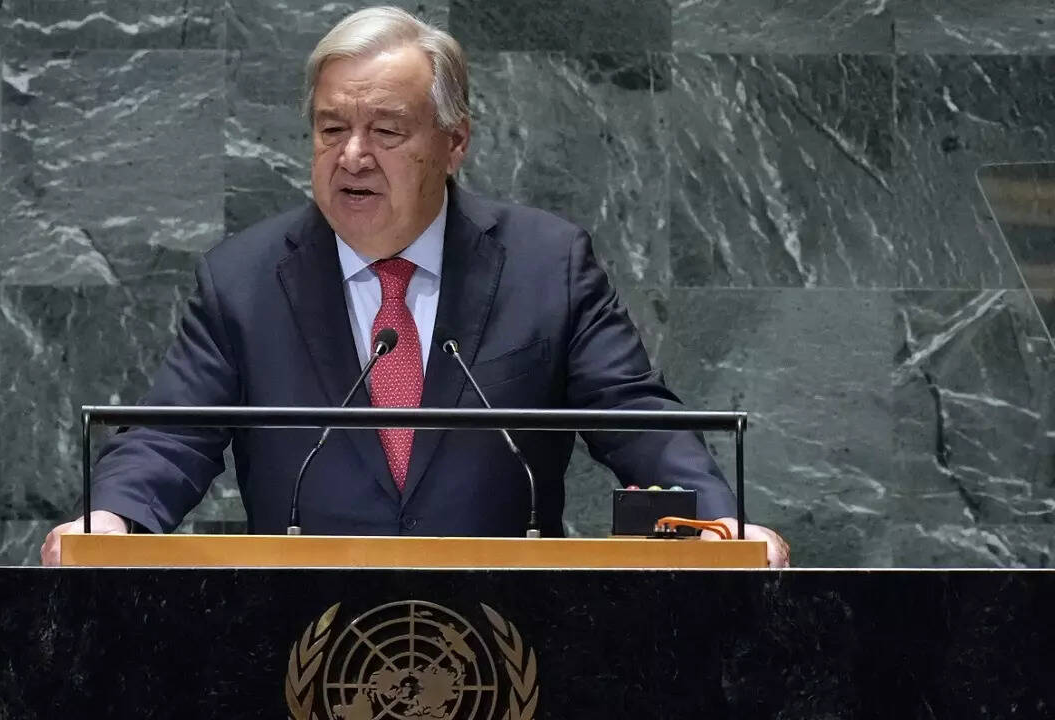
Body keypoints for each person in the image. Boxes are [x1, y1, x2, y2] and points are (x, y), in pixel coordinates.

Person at [41, 6, 789, 567]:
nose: (352, 156)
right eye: (331, 129)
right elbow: (170, 435)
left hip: (509, 642)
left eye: (387, 131)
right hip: (300, 645)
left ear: (454, 141)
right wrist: (111, 520)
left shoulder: (545, 265)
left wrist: (720, 523)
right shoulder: (244, 280)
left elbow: (633, 417)